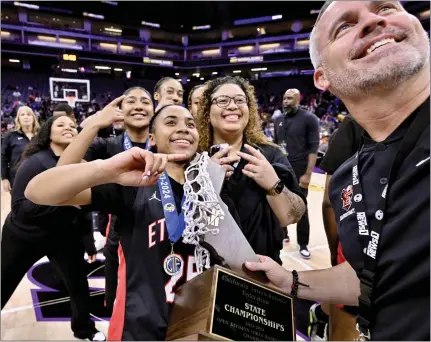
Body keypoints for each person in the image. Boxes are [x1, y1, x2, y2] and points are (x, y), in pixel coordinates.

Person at [245, 1, 430, 340]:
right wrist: (293, 281)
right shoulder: (349, 176)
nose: (374, 21)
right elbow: (372, 276)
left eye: (386, 7)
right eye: (344, 26)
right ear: (322, 77)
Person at [26, 105, 240, 341]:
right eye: (171, 122)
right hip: (140, 330)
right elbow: (38, 191)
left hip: (200, 329)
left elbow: (235, 264)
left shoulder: (215, 196)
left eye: (190, 125)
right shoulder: (133, 186)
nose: (183, 129)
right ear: (152, 139)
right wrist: (109, 170)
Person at [1, 115, 105, 341]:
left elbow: (83, 212)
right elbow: (21, 208)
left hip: (62, 237)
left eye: (72, 125)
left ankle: (84, 328)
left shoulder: (81, 165)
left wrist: (88, 244)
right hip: (23, 236)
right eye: (61, 124)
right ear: (48, 132)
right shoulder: (34, 162)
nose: (68, 127)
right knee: (3, 283)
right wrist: (65, 202)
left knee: (78, 285)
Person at [57, 86, 154, 315]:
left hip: (160, 235)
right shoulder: (107, 145)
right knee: (120, 309)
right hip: (121, 237)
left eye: (145, 101)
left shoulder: (166, 143)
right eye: (131, 101)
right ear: (120, 111)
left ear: (154, 110)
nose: (139, 105)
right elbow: (63, 170)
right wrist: (95, 124)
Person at [196, 76, 306, 265]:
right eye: (222, 100)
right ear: (207, 113)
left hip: (262, 271)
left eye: (240, 100)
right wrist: (206, 179)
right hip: (204, 269)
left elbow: (292, 216)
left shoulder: (270, 155)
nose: (232, 106)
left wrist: (273, 184)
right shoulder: (195, 159)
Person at [308, 115, 364, 340]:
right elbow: (331, 199)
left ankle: (322, 313)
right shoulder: (357, 123)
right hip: (362, 249)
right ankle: (323, 314)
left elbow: (329, 200)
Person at [273, 88, 320, 259]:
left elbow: (314, 147)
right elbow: (276, 145)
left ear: (298, 100)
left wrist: (308, 174)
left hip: (300, 170)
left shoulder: (309, 119)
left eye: (290, 98)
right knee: (277, 202)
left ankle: (303, 244)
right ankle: (283, 234)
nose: (286, 101)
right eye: (284, 98)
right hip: (280, 168)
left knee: (302, 207)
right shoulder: (278, 119)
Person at [1, 106, 40, 191]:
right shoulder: (10, 136)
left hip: (38, 178)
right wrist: (4, 178)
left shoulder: (40, 136)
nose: (26, 117)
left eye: (29, 114)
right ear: (18, 119)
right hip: (17, 178)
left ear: (33, 118)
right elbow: (3, 158)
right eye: (22, 115)